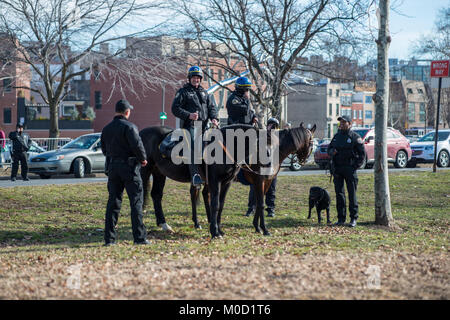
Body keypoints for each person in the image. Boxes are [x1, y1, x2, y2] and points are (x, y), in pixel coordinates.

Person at [100, 99, 149, 246]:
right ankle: (139, 238)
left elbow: (104, 149)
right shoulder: (130, 127)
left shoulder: (106, 128)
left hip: (113, 167)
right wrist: (143, 159)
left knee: (113, 203)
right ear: (127, 112)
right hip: (130, 167)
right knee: (136, 202)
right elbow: (137, 145)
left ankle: (109, 239)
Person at [171, 65, 219, 187]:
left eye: (198, 78)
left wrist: (214, 118)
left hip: (205, 126)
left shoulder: (205, 93)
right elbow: (175, 109)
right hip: (190, 126)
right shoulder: (183, 92)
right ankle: (195, 175)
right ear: (189, 78)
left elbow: (212, 108)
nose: (196, 80)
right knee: (194, 146)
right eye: (193, 77)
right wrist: (189, 115)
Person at [327, 115, 366, 227]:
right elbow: (329, 149)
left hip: (350, 169)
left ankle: (353, 218)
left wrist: (354, 167)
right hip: (338, 169)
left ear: (350, 124)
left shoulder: (354, 137)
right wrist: (331, 152)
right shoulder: (336, 136)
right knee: (339, 194)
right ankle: (341, 218)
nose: (342, 124)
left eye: (344, 122)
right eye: (341, 123)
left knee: (352, 194)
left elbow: (362, 154)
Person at [245, 117, 279, 217]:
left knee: (271, 189)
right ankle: (251, 208)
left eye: (274, 125)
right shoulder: (262, 135)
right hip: (260, 166)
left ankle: (270, 209)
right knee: (254, 188)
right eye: (270, 124)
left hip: (272, 166)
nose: (272, 127)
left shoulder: (277, 138)